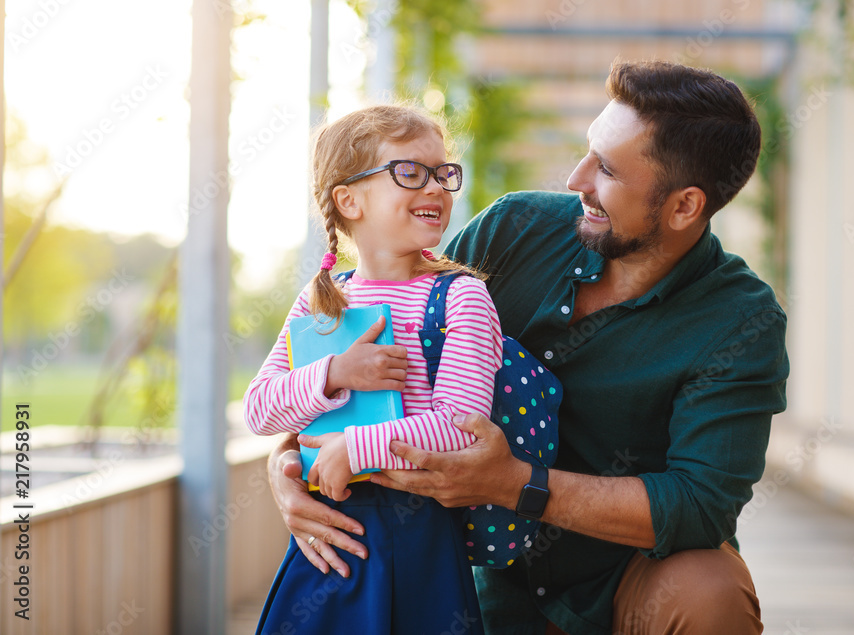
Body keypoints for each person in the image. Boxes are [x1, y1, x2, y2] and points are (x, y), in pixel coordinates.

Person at [266, 59, 790, 635]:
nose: (576, 178)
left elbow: (698, 504)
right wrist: (287, 463)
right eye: (589, 151)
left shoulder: (742, 319)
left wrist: (514, 483)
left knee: (710, 593)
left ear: (684, 206)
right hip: (464, 570)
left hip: (620, 579)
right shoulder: (513, 228)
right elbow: (388, 336)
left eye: (607, 170)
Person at [243, 104, 503, 635]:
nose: (435, 188)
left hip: (419, 533)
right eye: (409, 172)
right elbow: (260, 410)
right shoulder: (321, 304)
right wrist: (334, 372)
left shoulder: (462, 296)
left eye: (443, 173)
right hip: (326, 536)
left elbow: (461, 424)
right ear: (349, 199)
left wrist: (354, 448)